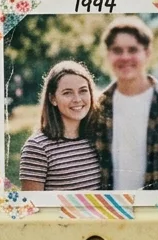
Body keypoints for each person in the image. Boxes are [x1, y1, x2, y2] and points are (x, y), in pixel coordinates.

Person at [92, 16, 158, 190]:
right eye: (117, 50)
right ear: (108, 55)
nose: (125, 57)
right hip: (109, 212)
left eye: (133, 50)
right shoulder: (97, 107)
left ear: (147, 53)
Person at [19, 61, 103, 191]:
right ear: (53, 99)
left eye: (83, 91)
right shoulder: (37, 147)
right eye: (67, 93)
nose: (77, 99)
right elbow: (31, 206)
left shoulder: (97, 139)